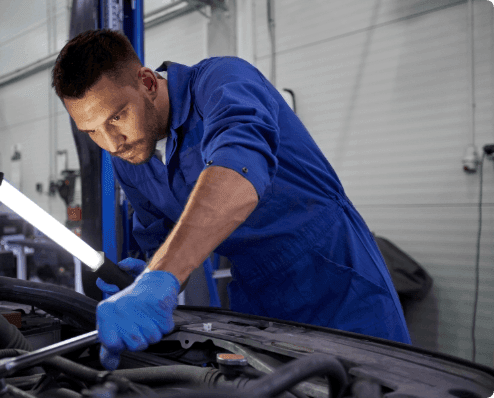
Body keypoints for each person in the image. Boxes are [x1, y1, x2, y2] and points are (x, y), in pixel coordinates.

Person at [52, 29, 411, 370]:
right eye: (92, 131)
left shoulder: (221, 82)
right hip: (255, 297)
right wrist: (145, 275)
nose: (112, 143)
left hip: (335, 278)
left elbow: (238, 169)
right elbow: (161, 238)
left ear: (147, 82)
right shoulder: (130, 160)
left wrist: (160, 275)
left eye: (116, 117)